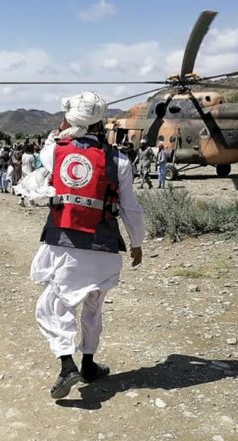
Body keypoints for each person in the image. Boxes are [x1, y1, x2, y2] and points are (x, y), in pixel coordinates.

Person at [31, 91, 144, 399]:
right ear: (101, 123)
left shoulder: (55, 150)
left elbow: (46, 148)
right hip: (104, 245)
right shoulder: (118, 160)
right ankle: (89, 364)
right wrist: (137, 243)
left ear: (70, 120)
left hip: (65, 243)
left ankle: (68, 365)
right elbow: (131, 207)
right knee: (93, 307)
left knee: (54, 306)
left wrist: (60, 129)